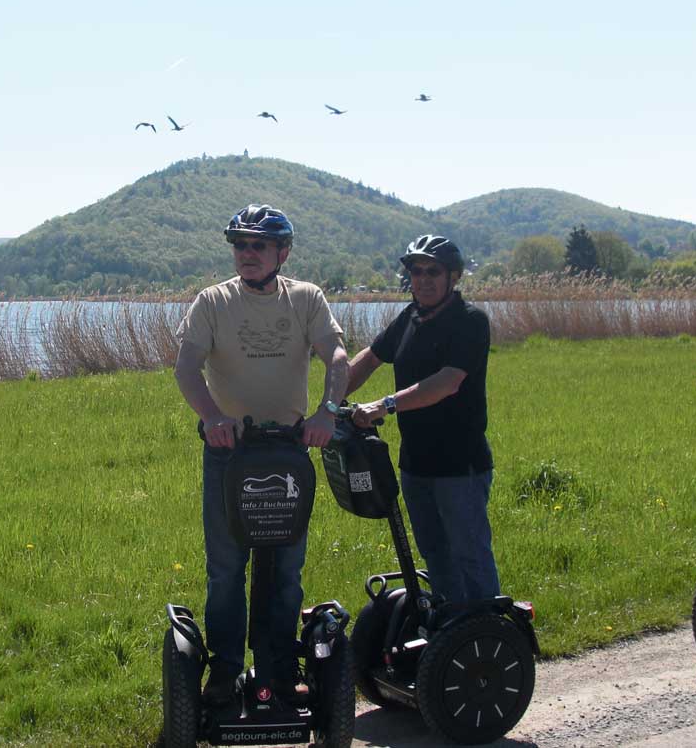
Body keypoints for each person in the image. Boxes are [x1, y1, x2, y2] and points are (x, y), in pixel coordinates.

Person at [174, 204, 348, 705]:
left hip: (289, 451)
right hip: (231, 454)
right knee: (226, 568)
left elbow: (334, 355)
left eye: (258, 246)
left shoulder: (307, 299)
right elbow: (187, 368)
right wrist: (211, 418)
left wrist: (327, 413)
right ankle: (225, 672)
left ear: (281, 253)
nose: (246, 254)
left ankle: (279, 664)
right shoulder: (212, 302)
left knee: (286, 568)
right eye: (239, 245)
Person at [345, 234, 500, 606]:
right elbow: (369, 358)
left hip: (459, 466)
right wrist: (329, 401)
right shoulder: (409, 318)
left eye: (434, 271)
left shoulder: (469, 321)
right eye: (417, 271)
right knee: (434, 555)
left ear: (454, 277)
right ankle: (450, 638)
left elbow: (446, 383)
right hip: (416, 465)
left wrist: (382, 406)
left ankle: (487, 637)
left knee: (469, 556)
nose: (424, 279)